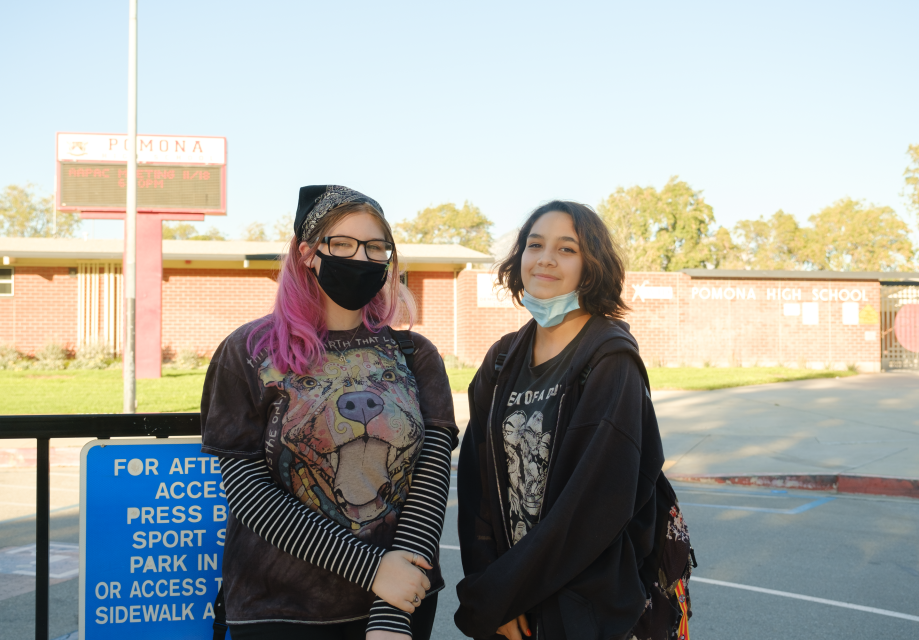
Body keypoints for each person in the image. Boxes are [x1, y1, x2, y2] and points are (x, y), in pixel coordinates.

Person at [200, 185, 458, 640]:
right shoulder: (250, 351)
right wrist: (371, 568)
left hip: (397, 604)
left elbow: (430, 480)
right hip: (279, 610)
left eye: (376, 247)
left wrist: (391, 613)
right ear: (307, 253)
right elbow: (245, 488)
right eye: (342, 244)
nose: (360, 258)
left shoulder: (415, 354)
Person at [455, 201, 667, 640]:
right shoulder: (500, 360)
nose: (546, 258)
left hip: (583, 608)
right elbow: (477, 489)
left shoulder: (610, 361)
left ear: (591, 268)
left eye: (567, 249)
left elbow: (592, 508)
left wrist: (501, 594)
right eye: (535, 245)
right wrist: (493, 592)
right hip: (512, 607)